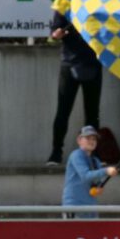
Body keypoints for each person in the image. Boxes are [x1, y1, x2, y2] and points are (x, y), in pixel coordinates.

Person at [47, 10, 102, 166]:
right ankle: (55, 153)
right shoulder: (65, 3)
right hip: (69, 63)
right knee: (63, 110)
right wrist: (56, 33)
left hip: (93, 62)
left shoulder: (96, 2)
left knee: (92, 114)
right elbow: (55, 30)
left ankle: (92, 155)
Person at [61, 126, 118, 217]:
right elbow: (85, 176)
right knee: (75, 232)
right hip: (74, 207)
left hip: (91, 207)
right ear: (79, 140)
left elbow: (97, 181)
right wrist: (106, 170)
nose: (92, 141)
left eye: (94, 139)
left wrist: (99, 187)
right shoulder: (76, 155)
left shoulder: (96, 161)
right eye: (88, 138)